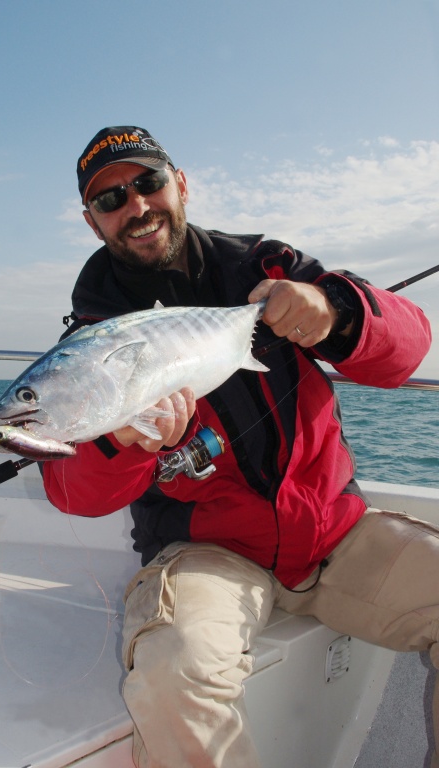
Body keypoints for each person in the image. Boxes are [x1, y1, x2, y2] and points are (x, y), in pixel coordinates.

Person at [42, 125, 437, 768]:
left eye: (148, 183)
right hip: (209, 556)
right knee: (173, 673)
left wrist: (333, 310)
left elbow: (408, 348)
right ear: (93, 223)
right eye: (110, 200)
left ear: (182, 186)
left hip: (336, 536)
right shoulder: (91, 342)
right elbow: (70, 489)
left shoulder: (264, 264)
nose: (136, 207)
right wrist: (125, 441)